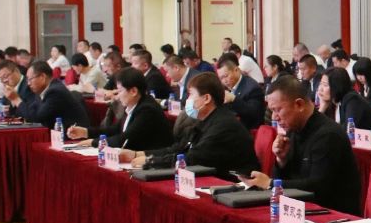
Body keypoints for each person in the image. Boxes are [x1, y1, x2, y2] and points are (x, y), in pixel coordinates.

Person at [241, 76, 361, 214]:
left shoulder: (328, 135)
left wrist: (270, 183)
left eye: (277, 110)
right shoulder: (293, 130)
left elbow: (318, 188)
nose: (274, 117)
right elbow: (289, 181)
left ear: (299, 105)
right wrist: (282, 161)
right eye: (272, 111)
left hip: (334, 215)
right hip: (300, 210)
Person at [122, 72, 259, 176]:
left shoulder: (224, 125)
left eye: (191, 95)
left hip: (232, 184)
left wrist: (150, 161)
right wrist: (138, 154)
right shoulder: (204, 120)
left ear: (206, 98)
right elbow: (179, 148)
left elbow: (192, 159)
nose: (187, 100)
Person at [67, 67, 174, 151]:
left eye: (120, 91)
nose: (117, 96)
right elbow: (115, 130)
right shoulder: (133, 105)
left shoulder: (147, 110)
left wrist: (92, 142)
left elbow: (124, 139)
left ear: (133, 91)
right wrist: (85, 132)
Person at [6, 61, 91, 128]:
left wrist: (16, 99)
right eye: (27, 80)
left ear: (42, 77)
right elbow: (30, 111)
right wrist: (14, 101)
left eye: (30, 79)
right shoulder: (42, 90)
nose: (28, 83)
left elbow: (37, 118)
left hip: (72, 136)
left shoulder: (55, 92)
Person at [317, 66, 371, 133]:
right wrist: (322, 108)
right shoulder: (332, 102)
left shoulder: (352, 100)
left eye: (325, 85)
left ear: (337, 86)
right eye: (320, 84)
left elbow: (348, 131)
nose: (320, 89)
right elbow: (316, 128)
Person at [216, 55, 265, 129]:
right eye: (221, 78)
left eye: (226, 76)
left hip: (248, 130)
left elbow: (254, 113)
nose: (224, 81)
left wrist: (234, 99)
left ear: (236, 70)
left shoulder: (252, 88)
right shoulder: (227, 86)